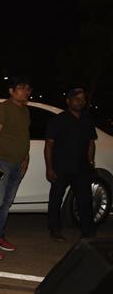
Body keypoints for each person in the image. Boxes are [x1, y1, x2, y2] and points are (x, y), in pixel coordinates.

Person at [0, 76, 32, 260]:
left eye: (28, 88)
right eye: (22, 88)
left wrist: (26, 157)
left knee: (7, 202)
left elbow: (24, 135)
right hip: (2, 163)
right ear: (11, 90)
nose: (26, 91)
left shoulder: (25, 111)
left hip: (18, 165)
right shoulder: (2, 109)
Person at [45, 87, 97, 240]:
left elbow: (91, 143)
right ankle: (55, 229)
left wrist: (91, 161)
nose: (80, 101)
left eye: (82, 99)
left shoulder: (87, 119)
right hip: (61, 167)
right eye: (76, 98)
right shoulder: (58, 120)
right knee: (56, 198)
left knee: (85, 200)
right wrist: (49, 168)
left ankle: (87, 232)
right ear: (68, 101)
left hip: (81, 167)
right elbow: (49, 144)